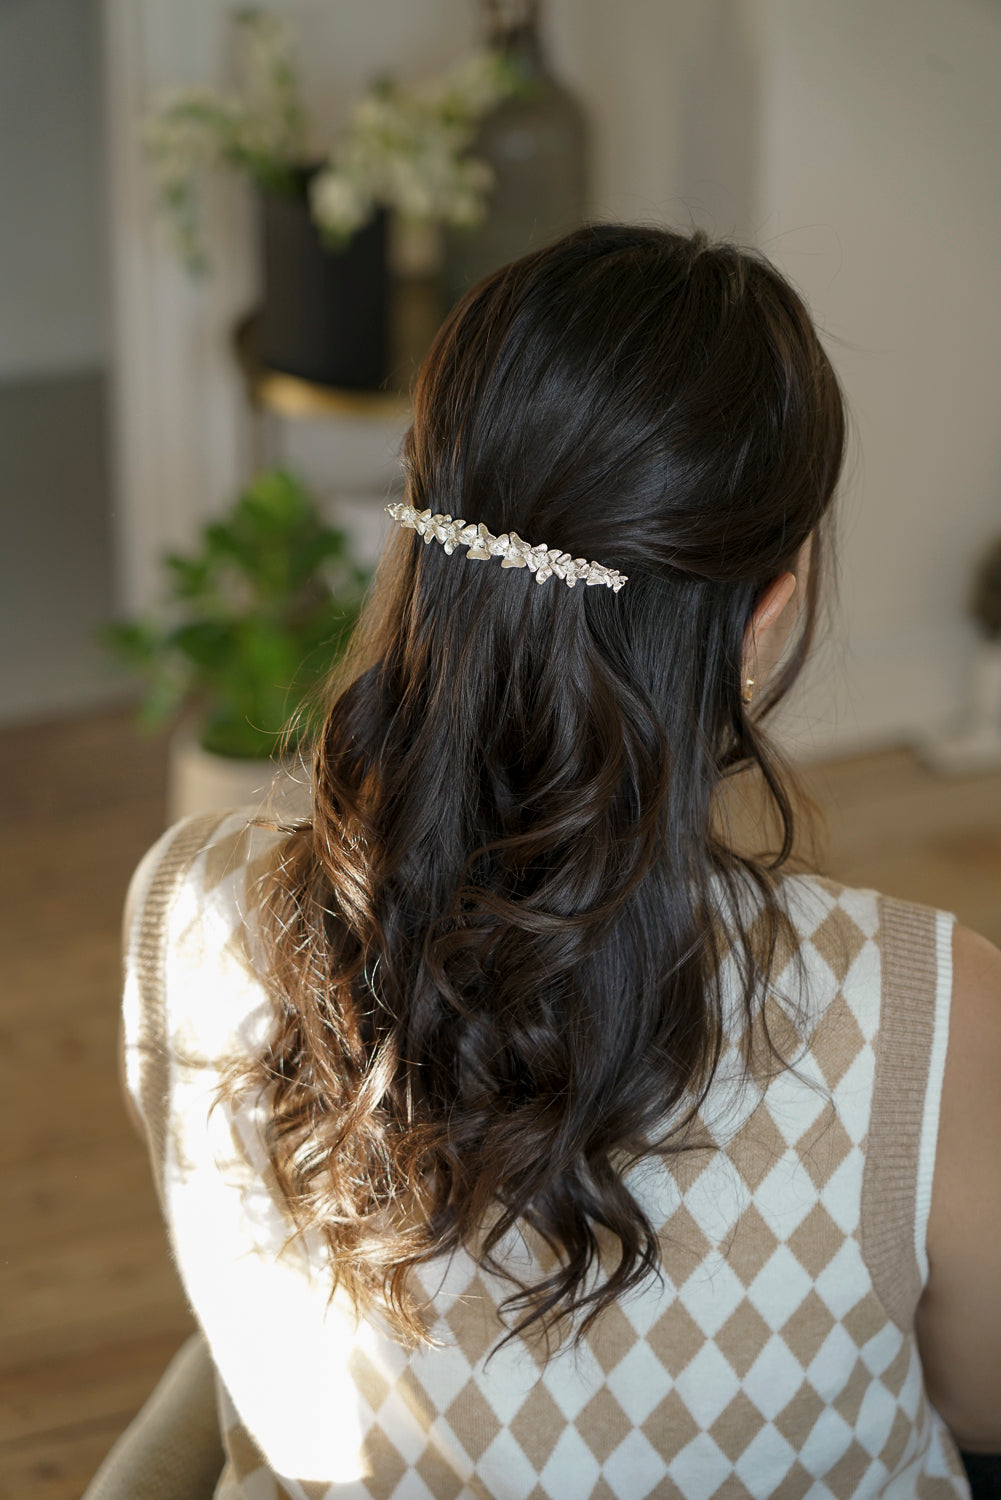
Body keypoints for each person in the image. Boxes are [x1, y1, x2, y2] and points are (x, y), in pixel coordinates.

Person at [120, 224, 1001, 1500]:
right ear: (765, 611)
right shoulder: (924, 1010)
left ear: (418, 536)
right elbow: (981, 1398)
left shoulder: (190, 906)